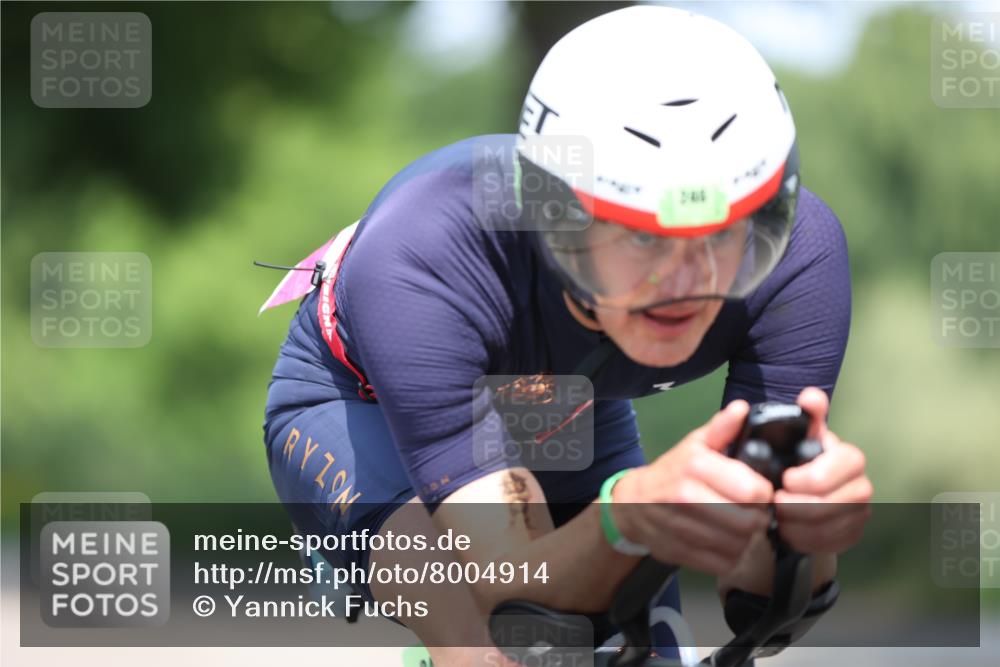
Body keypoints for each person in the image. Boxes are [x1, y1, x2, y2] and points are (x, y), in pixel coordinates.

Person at [261, 6, 872, 665]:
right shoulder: (421, 252)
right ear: (558, 220)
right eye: (641, 236)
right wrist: (629, 516)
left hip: (562, 392)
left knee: (645, 645)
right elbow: (514, 588)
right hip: (360, 401)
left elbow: (761, 606)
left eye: (722, 233)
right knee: (497, 644)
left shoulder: (798, 259)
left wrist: (805, 535)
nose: (685, 281)